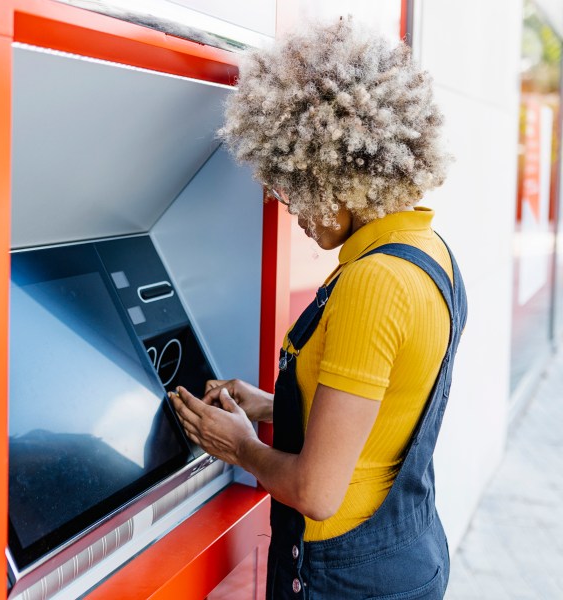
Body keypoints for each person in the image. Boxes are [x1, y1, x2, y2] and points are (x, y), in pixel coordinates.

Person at [170, 18, 467, 600]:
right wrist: (269, 405)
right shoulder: (430, 253)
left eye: (296, 188)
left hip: (344, 579)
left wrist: (239, 444)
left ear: (339, 174)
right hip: (408, 554)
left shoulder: (373, 282)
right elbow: (383, 414)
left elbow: (316, 492)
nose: (293, 212)